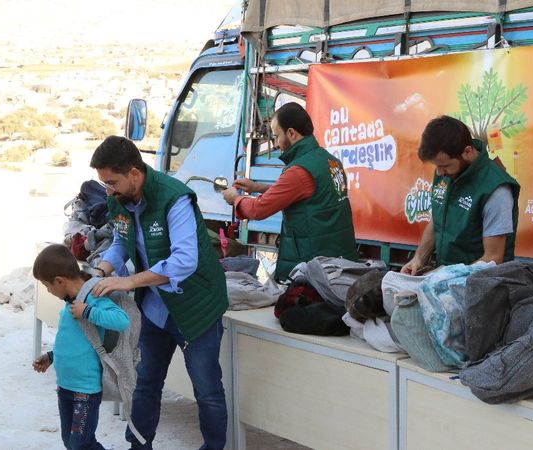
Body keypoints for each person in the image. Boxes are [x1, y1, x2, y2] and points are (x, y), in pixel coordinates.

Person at [89, 136, 228, 450]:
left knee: (207, 390)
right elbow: (120, 243)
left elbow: (184, 260)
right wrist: (102, 271)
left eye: (112, 182)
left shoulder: (175, 198)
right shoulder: (118, 199)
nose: (108, 191)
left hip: (196, 308)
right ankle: (139, 445)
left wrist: (129, 282)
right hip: (153, 308)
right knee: (144, 384)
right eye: (104, 184)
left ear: (135, 174)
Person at [222, 102, 358, 281]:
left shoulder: (299, 171)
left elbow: (259, 209)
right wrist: (257, 187)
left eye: (277, 136)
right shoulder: (330, 161)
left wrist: (235, 198)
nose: (277, 144)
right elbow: (305, 194)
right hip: (337, 260)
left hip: (314, 267)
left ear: (291, 133)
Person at [32, 244, 130, 450]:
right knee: (72, 442)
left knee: (79, 444)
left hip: (85, 391)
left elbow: (122, 320)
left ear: (60, 281)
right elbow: (74, 340)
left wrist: (88, 312)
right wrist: (51, 356)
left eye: (47, 286)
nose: (49, 291)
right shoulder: (70, 301)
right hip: (65, 387)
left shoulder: (92, 298)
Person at [401, 116, 520, 275]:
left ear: (467, 152)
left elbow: (493, 258)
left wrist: (445, 277)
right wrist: (419, 259)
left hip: (483, 287)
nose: (439, 172)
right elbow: (438, 220)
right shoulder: (447, 172)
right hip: (444, 280)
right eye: (436, 166)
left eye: (445, 166)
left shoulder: (496, 189)